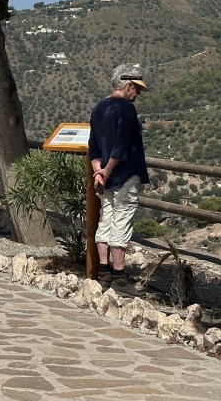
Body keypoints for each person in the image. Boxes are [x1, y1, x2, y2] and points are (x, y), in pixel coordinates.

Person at [88, 63, 150, 291]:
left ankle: (103, 273)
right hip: (124, 174)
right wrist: (108, 170)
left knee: (106, 220)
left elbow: (93, 145)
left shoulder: (98, 107)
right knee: (121, 222)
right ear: (129, 85)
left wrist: (98, 171)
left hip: (104, 178)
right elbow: (122, 147)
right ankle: (120, 278)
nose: (138, 94)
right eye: (138, 89)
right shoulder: (126, 109)